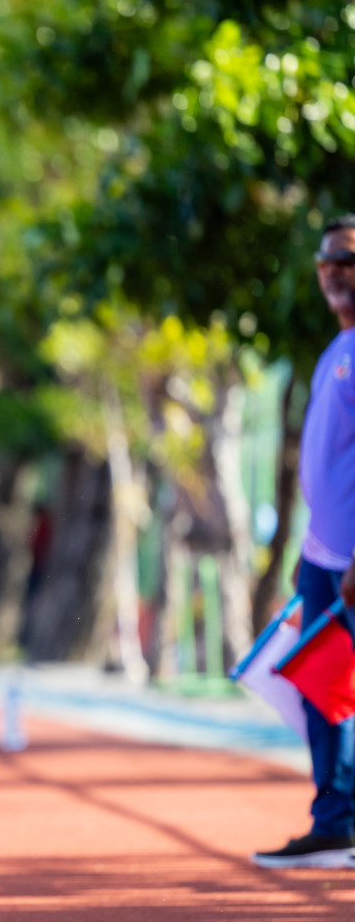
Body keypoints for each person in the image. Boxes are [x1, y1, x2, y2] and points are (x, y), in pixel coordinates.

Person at [253, 216, 355, 868]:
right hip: (324, 556)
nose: (336, 275)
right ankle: (335, 819)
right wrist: (309, 546)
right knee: (324, 688)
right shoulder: (335, 351)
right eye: (327, 265)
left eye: (348, 263)